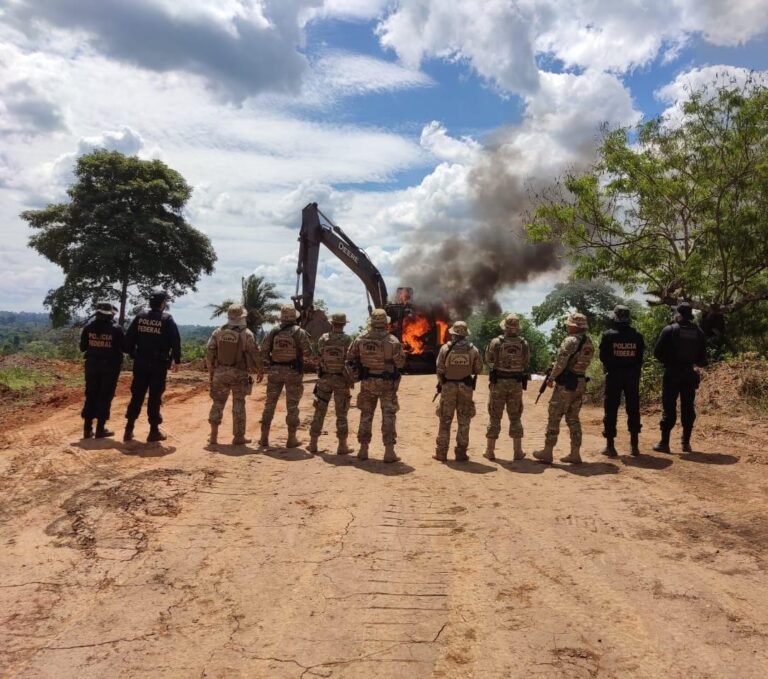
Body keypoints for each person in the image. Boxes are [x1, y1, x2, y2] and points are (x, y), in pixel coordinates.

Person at [534, 312, 595, 465]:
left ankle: (547, 452)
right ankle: (575, 453)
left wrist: (551, 378)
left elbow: (560, 363)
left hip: (566, 384)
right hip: (580, 382)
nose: (567, 326)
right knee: (573, 419)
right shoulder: (589, 342)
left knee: (554, 416)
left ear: (575, 326)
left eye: (569, 324)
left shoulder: (570, 341)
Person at [347, 308, 405, 463]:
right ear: (386, 323)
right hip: (387, 384)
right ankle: (389, 452)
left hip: (367, 382)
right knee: (388, 416)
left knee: (366, 415)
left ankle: (363, 450)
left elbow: (350, 357)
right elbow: (400, 363)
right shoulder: (393, 341)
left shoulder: (360, 339)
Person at [123, 290, 181, 442]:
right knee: (155, 397)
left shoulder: (140, 316)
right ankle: (153, 431)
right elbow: (175, 340)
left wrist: (132, 353)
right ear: (163, 304)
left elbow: (129, 339)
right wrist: (177, 360)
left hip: (140, 362)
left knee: (137, 395)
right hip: (158, 364)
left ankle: (128, 429)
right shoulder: (167, 319)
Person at [652, 302, 707, 453]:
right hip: (689, 374)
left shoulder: (669, 330)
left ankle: (664, 443)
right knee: (688, 408)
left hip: (672, 373)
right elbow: (703, 359)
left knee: (669, 407)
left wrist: (669, 361)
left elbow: (657, 353)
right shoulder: (699, 332)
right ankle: (686, 443)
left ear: (679, 315)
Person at [206, 304, 262, 445]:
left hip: (220, 372)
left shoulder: (218, 332)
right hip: (239, 373)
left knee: (218, 402)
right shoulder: (247, 333)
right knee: (239, 403)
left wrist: (211, 370)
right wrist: (260, 369)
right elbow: (254, 353)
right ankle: (238, 437)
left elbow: (210, 351)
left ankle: (213, 436)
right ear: (242, 317)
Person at [259, 304, 313, 448]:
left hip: (274, 371)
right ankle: (291, 439)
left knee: (269, 404)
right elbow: (308, 352)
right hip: (293, 372)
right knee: (292, 406)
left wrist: (268, 364)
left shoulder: (273, 332)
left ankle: (264, 438)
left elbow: (263, 351)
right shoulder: (299, 332)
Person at [599, 305, 645, 457]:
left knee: (611, 409)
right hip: (632, 377)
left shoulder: (608, 335)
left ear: (616, 316)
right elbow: (640, 358)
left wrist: (614, 364)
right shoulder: (637, 336)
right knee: (633, 409)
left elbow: (603, 357)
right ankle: (634, 446)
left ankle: (610, 447)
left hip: (613, 377)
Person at [434, 321, 483, 462]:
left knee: (445, 420)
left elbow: (440, 369)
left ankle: (441, 453)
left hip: (448, 387)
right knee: (464, 421)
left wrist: (442, 382)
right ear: (465, 334)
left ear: (453, 334)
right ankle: (461, 453)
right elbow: (478, 369)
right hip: (466, 388)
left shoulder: (445, 349)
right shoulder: (473, 350)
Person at [484, 313, 530, 461]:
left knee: (495, 416)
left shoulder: (496, 342)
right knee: (515, 417)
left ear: (505, 327)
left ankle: (490, 451)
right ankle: (518, 451)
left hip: (499, 383)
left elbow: (488, 359)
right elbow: (526, 362)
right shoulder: (524, 343)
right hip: (516, 384)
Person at [308, 312, 353, 455]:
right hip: (341, 380)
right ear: (344, 324)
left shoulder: (324, 339)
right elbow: (351, 358)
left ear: (332, 323)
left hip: (325, 378)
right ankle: (342, 446)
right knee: (342, 413)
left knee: (320, 410)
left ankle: (313, 443)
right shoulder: (347, 340)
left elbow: (318, 355)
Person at [79, 301, 124, 439]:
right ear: (110, 315)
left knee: (91, 394)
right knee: (105, 396)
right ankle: (100, 429)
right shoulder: (116, 329)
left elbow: (82, 348)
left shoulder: (88, 328)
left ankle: (87, 429)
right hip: (110, 367)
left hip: (91, 365)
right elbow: (124, 347)